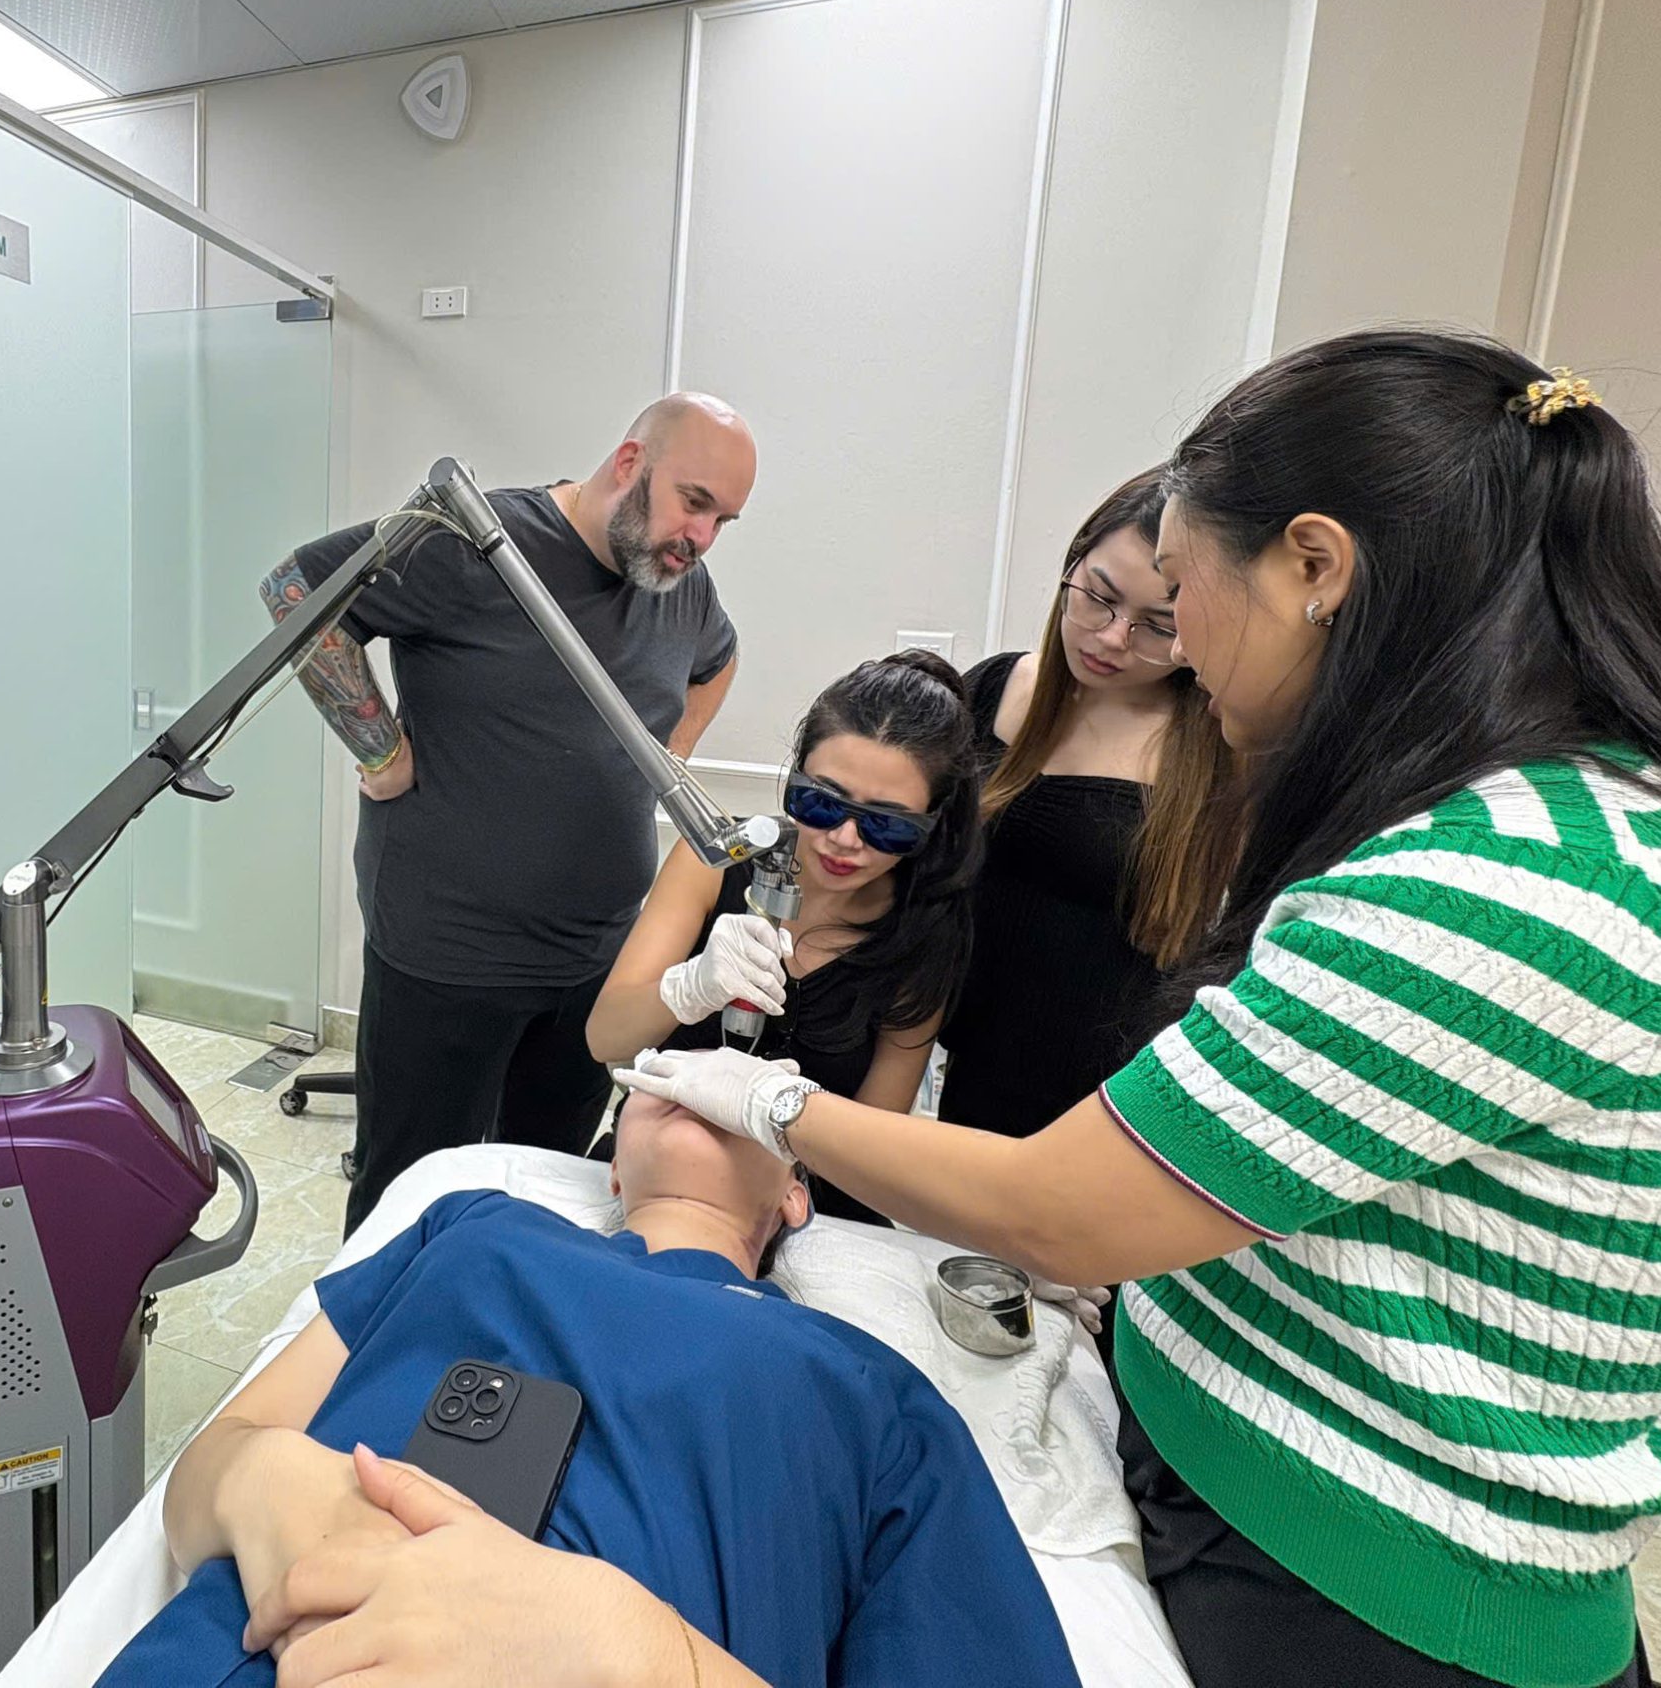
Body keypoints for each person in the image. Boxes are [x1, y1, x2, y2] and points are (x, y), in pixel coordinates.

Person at [617, 332, 1661, 1687]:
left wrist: (765, 1099)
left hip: (1352, 1588)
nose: (1159, 644)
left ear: (1313, 567)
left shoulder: (1509, 882)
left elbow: (1057, 1206)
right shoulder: (1560, 825)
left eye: (1176, 594)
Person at [95, 1085, 1081, 1687]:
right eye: (670, 1076)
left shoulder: (871, 1391)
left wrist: (648, 1662)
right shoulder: (473, 1225)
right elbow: (211, 1467)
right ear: (612, 1168)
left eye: (749, 1088)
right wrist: (268, 1480)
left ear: (795, 1194)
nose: (706, 1080)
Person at [268, 395, 754, 1231]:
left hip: (597, 963)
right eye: (694, 502)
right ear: (630, 463)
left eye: (724, 521)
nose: (702, 537)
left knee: (542, 1194)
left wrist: (662, 758)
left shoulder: (683, 585)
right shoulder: (474, 544)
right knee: (409, 1204)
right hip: (449, 955)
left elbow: (719, 659)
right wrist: (382, 752)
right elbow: (294, 590)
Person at [584, 650, 981, 1222]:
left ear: (932, 822)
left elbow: (875, 1146)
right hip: (655, 1172)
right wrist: (689, 988)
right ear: (794, 777)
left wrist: (776, 1111)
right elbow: (605, 1039)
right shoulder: (716, 862)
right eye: (820, 802)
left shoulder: (925, 933)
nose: (844, 839)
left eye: (887, 824)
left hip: (807, 1209)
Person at [944, 468, 1241, 1139]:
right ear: (1072, 567)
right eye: (1099, 599)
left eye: (1157, 626)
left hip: (1112, 1101)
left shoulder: (1219, 749)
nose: (1112, 638)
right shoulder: (994, 689)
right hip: (968, 1071)